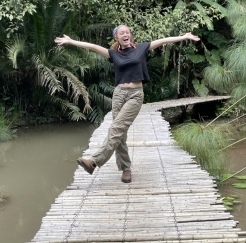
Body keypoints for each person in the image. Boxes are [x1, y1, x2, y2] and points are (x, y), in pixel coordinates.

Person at [54, 25, 200, 183]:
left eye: (127, 32)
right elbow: (93, 47)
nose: (125, 34)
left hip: (136, 94)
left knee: (116, 128)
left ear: (130, 35)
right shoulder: (113, 54)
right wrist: (70, 41)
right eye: (121, 33)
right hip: (119, 94)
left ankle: (94, 161)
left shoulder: (141, 48)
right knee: (120, 133)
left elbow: (163, 41)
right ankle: (126, 169)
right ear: (116, 38)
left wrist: (184, 37)